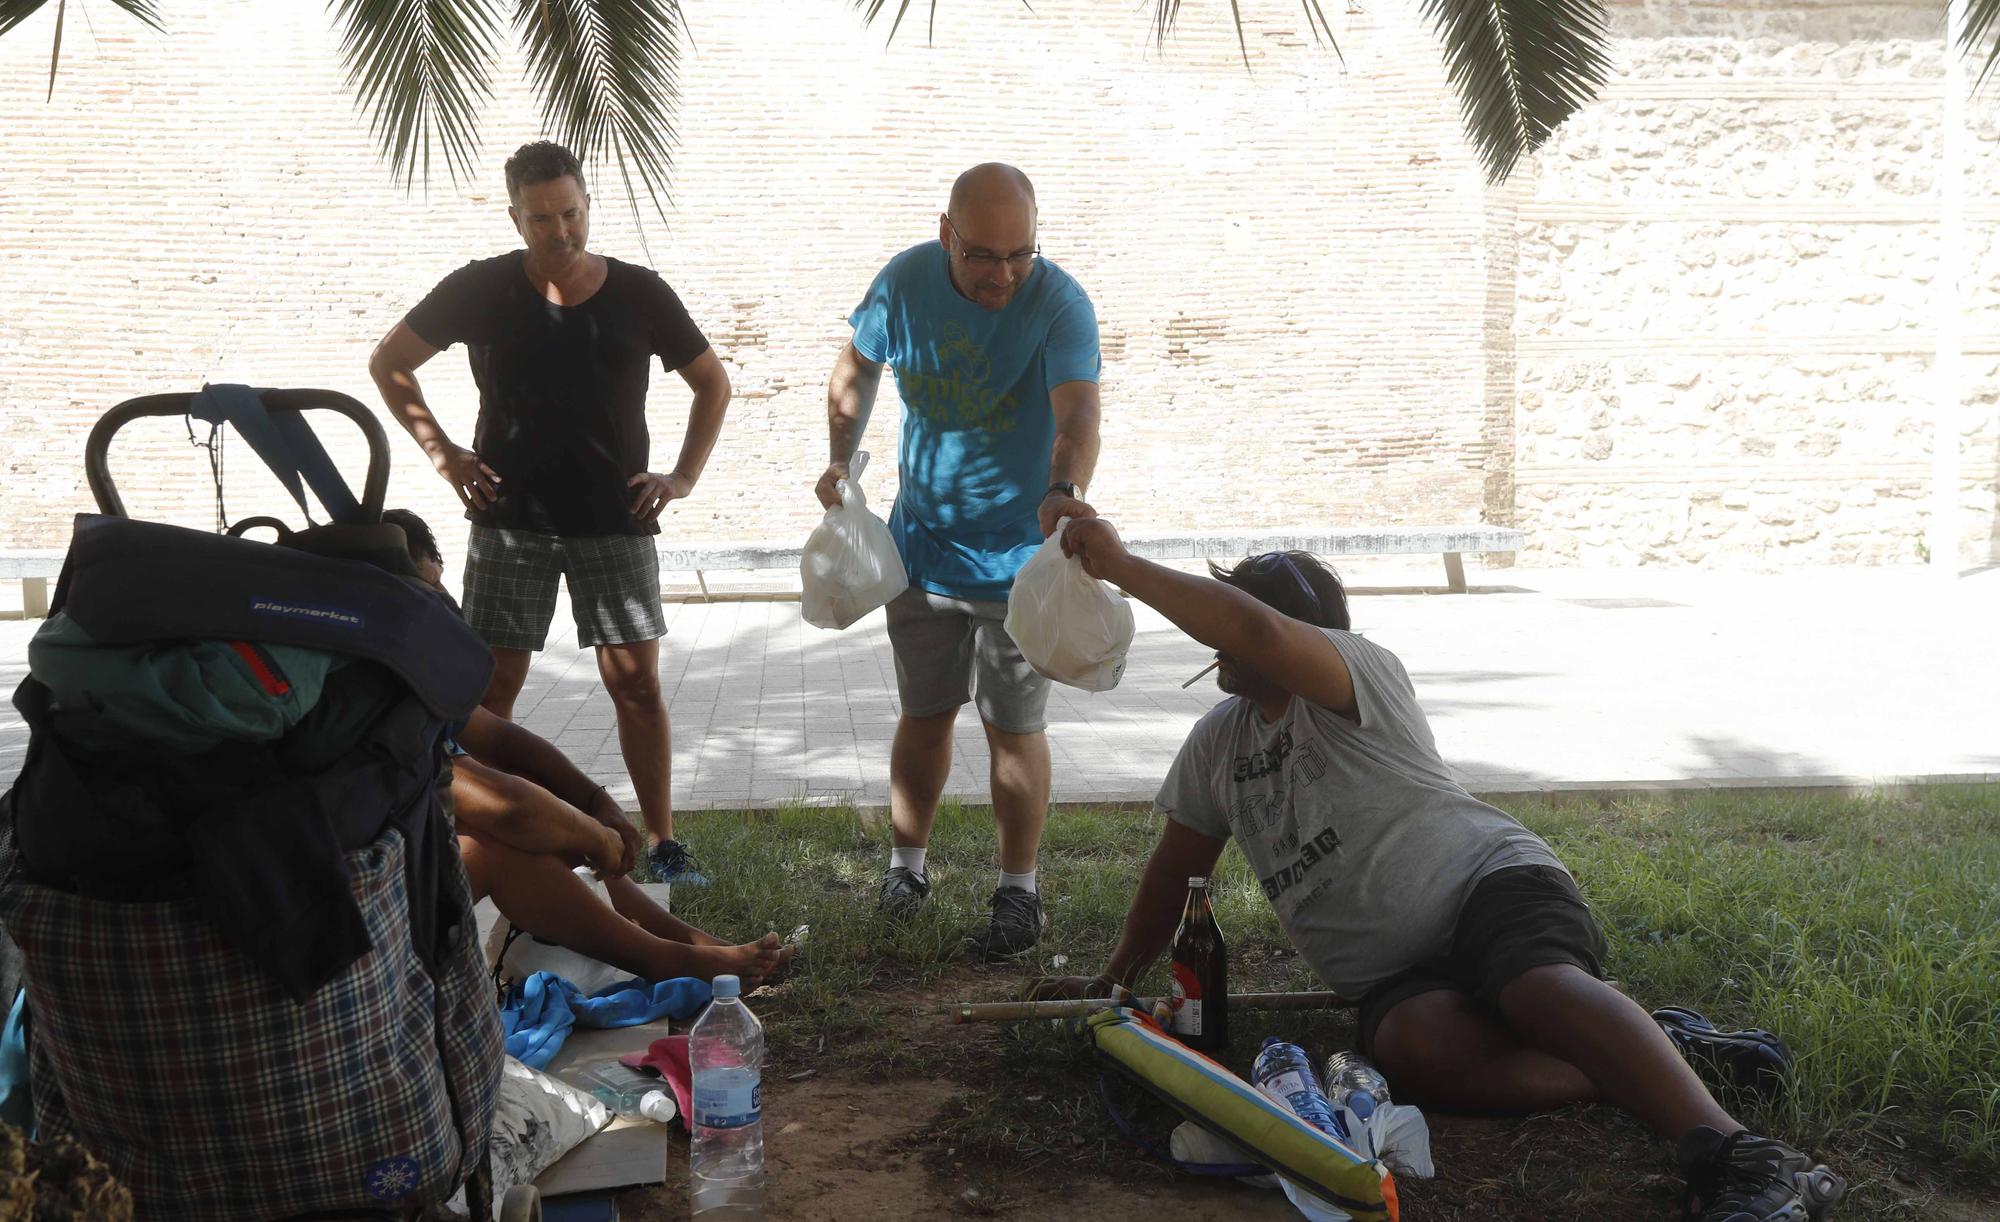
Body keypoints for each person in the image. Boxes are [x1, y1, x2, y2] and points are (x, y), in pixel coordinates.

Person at [1027, 519, 1846, 1222]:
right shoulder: (1217, 743)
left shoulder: (1357, 672)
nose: (1221, 641)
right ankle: (1652, 1052)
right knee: (1417, 1052)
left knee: (1534, 989)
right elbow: (1177, 875)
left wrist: (1122, 565)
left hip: (1490, 886)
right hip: (1393, 972)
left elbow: (1265, 636)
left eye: (1234, 620)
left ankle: (1739, 1157)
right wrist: (1113, 979)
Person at [369, 140, 728, 884]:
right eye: (541, 218)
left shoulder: (640, 293)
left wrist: (683, 476)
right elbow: (390, 362)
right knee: (487, 691)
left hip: (615, 520)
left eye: (570, 213)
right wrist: (444, 455)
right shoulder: (481, 288)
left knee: (637, 685)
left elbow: (712, 385)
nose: (560, 231)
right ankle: (466, 825)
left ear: (587, 206)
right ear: (515, 217)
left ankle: (662, 844)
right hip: (510, 521)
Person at [817, 163, 1102, 960]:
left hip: (1021, 562)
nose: (1003, 275)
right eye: (982, 256)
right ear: (946, 234)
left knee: (1014, 727)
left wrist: (1063, 486)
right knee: (925, 711)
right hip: (926, 546)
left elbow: (1077, 407)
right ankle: (907, 869)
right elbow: (856, 366)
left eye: (1020, 254)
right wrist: (842, 460)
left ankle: (1020, 892)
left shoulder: (1059, 301)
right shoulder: (905, 283)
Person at [384, 510, 792, 987]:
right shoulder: (372, 684)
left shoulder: (396, 666)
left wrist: (595, 804)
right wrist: (593, 836)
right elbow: (507, 809)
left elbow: (506, 742)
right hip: (355, 918)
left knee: (549, 815)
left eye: (436, 584)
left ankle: (680, 940)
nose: (439, 603)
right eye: (421, 589)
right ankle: (666, 959)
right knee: (507, 843)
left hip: (389, 879)